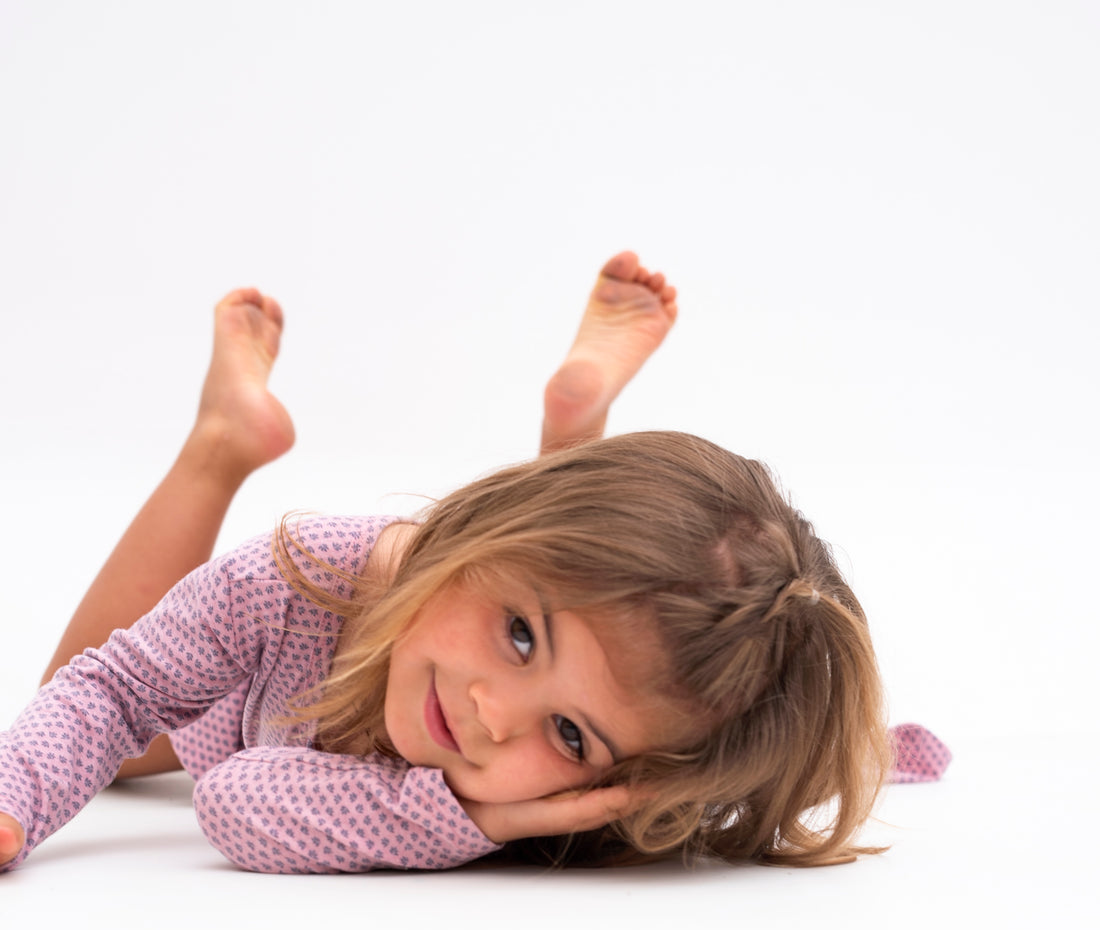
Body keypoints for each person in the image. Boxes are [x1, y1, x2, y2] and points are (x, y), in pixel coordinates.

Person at [0, 253, 949, 877]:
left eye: (571, 735)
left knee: (551, 598)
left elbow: (246, 802)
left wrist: (488, 819)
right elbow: (135, 709)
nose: (491, 716)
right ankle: (221, 442)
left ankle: (564, 467)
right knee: (106, 730)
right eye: (521, 636)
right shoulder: (302, 579)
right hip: (248, 700)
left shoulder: (602, 785)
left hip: (476, 592)